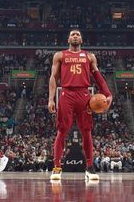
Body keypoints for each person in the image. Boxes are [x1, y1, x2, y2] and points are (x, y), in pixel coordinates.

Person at [48, 29, 113, 181]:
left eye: (77, 34)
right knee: (62, 131)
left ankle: (89, 168)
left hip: (84, 95)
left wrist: (108, 94)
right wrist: (51, 98)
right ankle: (57, 167)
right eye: (72, 34)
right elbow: (53, 77)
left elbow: (97, 77)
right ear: (68, 39)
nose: (75, 36)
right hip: (66, 93)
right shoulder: (59, 55)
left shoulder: (90, 56)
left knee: (86, 132)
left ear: (81, 39)